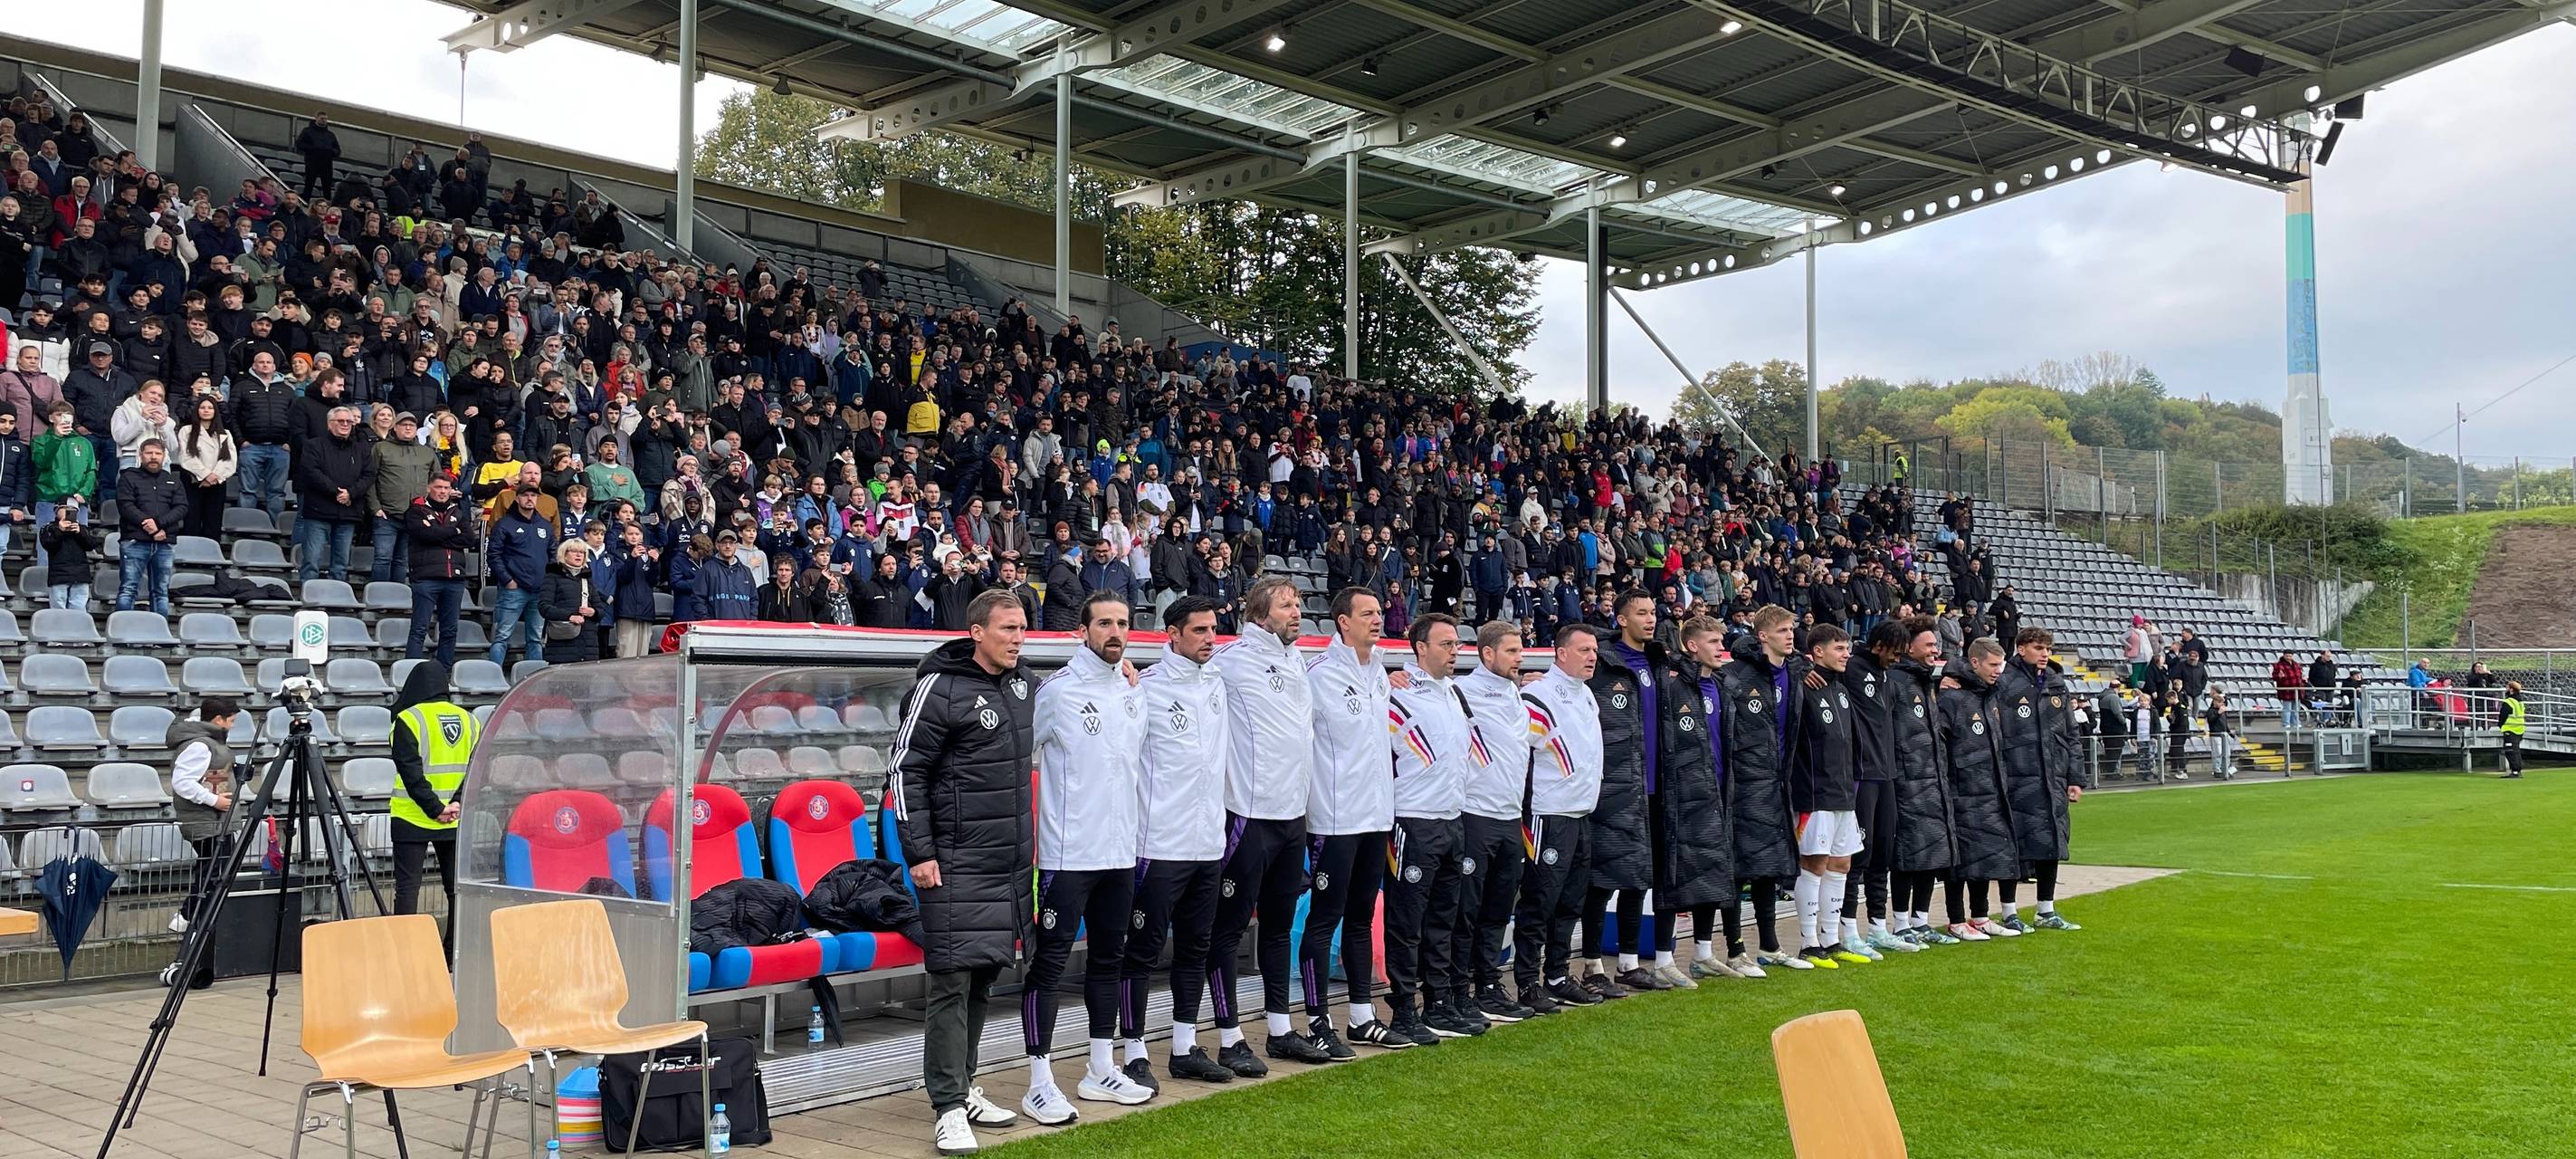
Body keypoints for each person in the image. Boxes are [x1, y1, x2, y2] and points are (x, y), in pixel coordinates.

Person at [894, 589, 1038, 1156]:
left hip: (1007, 862)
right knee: (951, 980)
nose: (1018, 638)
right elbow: (905, 774)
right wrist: (919, 853)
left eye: (1023, 628)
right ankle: (947, 1107)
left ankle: (966, 1084)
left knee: (983, 974)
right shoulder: (939, 687)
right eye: (1007, 629)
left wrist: (1123, 674)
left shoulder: (1024, 683)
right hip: (953, 862)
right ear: (976, 631)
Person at [1022, 590, 1155, 1122]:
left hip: (1120, 854)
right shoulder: (1055, 692)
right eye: (1104, 623)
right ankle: (1038, 1081)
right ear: (1082, 631)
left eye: (1122, 623)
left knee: (1109, 959)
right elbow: (1018, 755)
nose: (1115, 632)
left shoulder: (1132, 690)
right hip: (1066, 854)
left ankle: (1101, 1068)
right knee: (1050, 965)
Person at [1118, 595, 1239, 1087]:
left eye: (1214, 630)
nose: (1210, 639)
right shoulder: (1143, 687)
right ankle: (1133, 1049)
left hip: (1208, 844)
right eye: (1199, 631)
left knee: (1196, 947)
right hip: (1159, 845)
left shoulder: (1218, 683)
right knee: (1142, 951)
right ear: (1172, 633)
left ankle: (1185, 1046)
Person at [1207, 574, 1318, 1075]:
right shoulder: (1230, 663)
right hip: (1248, 819)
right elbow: (1181, 679)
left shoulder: (1298, 661)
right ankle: (1229, 1036)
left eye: (1298, 604)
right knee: (1228, 930)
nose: (1296, 612)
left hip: (1292, 816)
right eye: (1285, 606)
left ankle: (1278, 1029)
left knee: (1276, 928)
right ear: (1258, 615)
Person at [1297, 587, 1398, 1056]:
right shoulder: (1316, 673)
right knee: (1324, 920)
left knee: (1360, 918)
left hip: (1375, 817)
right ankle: (1318, 1019)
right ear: (1342, 622)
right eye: (1367, 614)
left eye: (1379, 613)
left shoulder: (1379, 672)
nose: (1378, 620)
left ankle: (1361, 1015)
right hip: (1334, 820)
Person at [1382, 612, 1480, 1043]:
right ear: (1420, 649)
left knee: (1444, 918)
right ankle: (1403, 1009)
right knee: (1407, 922)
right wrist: (1387, 680)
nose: (1454, 650)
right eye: (1445, 644)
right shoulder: (1394, 693)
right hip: (1412, 822)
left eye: (1456, 643)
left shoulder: (1456, 694)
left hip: (1452, 821)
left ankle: (1438, 1003)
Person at [1512, 623, 1604, 1013]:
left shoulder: (1587, 696)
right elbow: (1521, 752)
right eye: (1584, 650)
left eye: (1595, 650)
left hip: (1582, 814)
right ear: (1560, 654)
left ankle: (1558, 974)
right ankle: (1527, 982)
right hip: (1548, 815)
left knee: (1570, 902)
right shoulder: (1536, 695)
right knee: (1539, 901)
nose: (1592, 657)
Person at [1455, 621, 1540, 1019]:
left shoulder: (1517, 696)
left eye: (1520, 651)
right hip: (1475, 815)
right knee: (1466, 909)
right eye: (1511, 652)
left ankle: (1487, 984)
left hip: (1510, 817)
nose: (1519, 658)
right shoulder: (1460, 693)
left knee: (1498, 909)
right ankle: (1458, 989)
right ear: (1487, 654)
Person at [1580, 590, 1659, 997]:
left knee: (1638, 877)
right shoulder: (1603, 663)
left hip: (1652, 786)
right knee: (1602, 879)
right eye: (1641, 613)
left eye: (1653, 612)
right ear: (1622, 619)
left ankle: (1629, 963)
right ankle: (1592, 964)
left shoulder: (1661, 663)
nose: (1650, 619)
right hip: (1611, 787)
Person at [1719, 604, 1805, 973]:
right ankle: (1736, 950)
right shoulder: (1734, 677)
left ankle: (1770, 946)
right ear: (1763, 636)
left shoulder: (1796, 674)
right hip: (1743, 784)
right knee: (1738, 870)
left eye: (1792, 629)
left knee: (1770, 868)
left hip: (1777, 783)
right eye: (1783, 630)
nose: (1790, 636)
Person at [1665, 617, 1744, 978]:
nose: (1719, 648)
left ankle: (1703, 953)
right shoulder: (1675, 687)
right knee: (1678, 874)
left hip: (1719, 791)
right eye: (1712, 642)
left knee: (1712, 871)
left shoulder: (1723, 687)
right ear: (1692, 646)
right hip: (1685, 794)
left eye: (1721, 641)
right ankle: (1665, 959)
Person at [1786, 625, 1869, 968]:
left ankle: (1832, 938)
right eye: (1839, 648)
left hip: (1842, 791)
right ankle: (1808, 943)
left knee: (1842, 864)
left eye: (1847, 647)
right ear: (1817, 652)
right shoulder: (1803, 685)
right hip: (1814, 791)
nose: (1846, 653)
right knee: (1814, 864)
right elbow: (1778, 666)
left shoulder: (1841, 688)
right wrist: (1799, 670)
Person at [1837, 620, 1921, 957]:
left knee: (1883, 851)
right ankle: (1847, 931)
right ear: (1880, 645)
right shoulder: (1852, 668)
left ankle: (1877, 927)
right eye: (1895, 653)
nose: (1898, 659)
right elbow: (1811, 665)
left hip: (1886, 773)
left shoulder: (1886, 674)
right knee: (1860, 852)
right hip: (1861, 774)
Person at [1995, 627, 2083, 932]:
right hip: (2017, 776)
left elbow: (2071, 734)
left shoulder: (2057, 684)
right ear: (2020, 649)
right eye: (2037, 647)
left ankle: (2046, 909)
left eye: (2047, 648)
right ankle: (2009, 912)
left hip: (2053, 778)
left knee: (2052, 841)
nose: (2044, 653)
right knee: (2014, 845)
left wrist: (2075, 777)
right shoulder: (2005, 682)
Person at [1882, 616, 1962, 945]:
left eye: (1936, 645)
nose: (1935, 650)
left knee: (1931, 853)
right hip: (1906, 781)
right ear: (1908, 647)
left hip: (1933, 781)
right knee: (1908, 855)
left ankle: (1921, 921)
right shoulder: (1894, 682)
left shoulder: (1926, 683)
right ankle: (1901, 923)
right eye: (1929, 644)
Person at [388, 663, 476, 957]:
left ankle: (406, 955)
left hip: (412, 816)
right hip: (455, 819)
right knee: (455, 889)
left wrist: (434, 808)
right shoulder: (470, 720)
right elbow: (476, 770)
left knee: (408, 889)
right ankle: (452, 953)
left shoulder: (407, 719)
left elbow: (411, 773)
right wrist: (455, 805)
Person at [1939, 638, 2019, 942]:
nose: (1999, 671)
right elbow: (1941, 746)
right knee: (1959, 859)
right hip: (1961, 789)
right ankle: (1956, 919)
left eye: (2001, 665)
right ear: (1974, 663)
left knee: (1984, 853)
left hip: (1989, 787)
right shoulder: (1951, 697)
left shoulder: (1989, 696)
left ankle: (1980, 916)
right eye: (1993, 665)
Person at [161, 694, 242, 990]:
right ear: (219, 720)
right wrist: (215, 801)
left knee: (218, 868)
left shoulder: (211, 742)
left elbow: (213, 774)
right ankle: (188, 915)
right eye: (231, 720)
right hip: (206, 820)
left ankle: (193, 918)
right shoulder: (198, 745)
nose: (233, 726)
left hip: (217, 820)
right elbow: (183, 782)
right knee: (214, 869)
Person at [404, 474, 476, 666]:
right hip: (426, 578)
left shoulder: (458, 512)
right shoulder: (415, 511)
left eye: (446, 488)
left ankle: (443, 672)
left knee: (450, 630)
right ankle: (411, 671)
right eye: (439, 487)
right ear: (429, 488)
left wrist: (437, 533)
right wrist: (453, 531)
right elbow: (423, 535)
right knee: (420, 628)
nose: (443, 492)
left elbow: (469, 538)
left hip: (455, 579)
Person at [115, 436, 185, 615]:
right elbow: (125, 505)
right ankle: (122, 634)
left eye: (158, 453)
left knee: (161, 593)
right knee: (128, 590)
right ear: (141, 455)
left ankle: (160, 637)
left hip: (164, 543)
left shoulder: (173, 480)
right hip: (134, 541)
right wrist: (148, 525)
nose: (153, 457)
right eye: (149, 453)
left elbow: (182, 507)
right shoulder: (128, 477)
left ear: (164, 456)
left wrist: (160, 526)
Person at [539, 540, 605, 663]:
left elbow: (600, 610)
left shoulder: (586, 578)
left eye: (582, 552)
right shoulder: (552, 576)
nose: (579, 555)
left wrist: (593, 612)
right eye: (574, 551)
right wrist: (569, 616)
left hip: (588, 643)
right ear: (564, 554)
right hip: (562, 643)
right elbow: (544, 607)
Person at [2499, 680, 2526, 779]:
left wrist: (2500, 725)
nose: (2506, 689)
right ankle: (2517, 770)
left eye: (2507, 688)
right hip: (2519, 729)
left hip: (2510, 729)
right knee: (2516, 751)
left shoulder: (2509, 702)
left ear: (2511, 689)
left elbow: (2503, 715)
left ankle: (2515, 771)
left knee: (2510, 751)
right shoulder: (2520, 702)